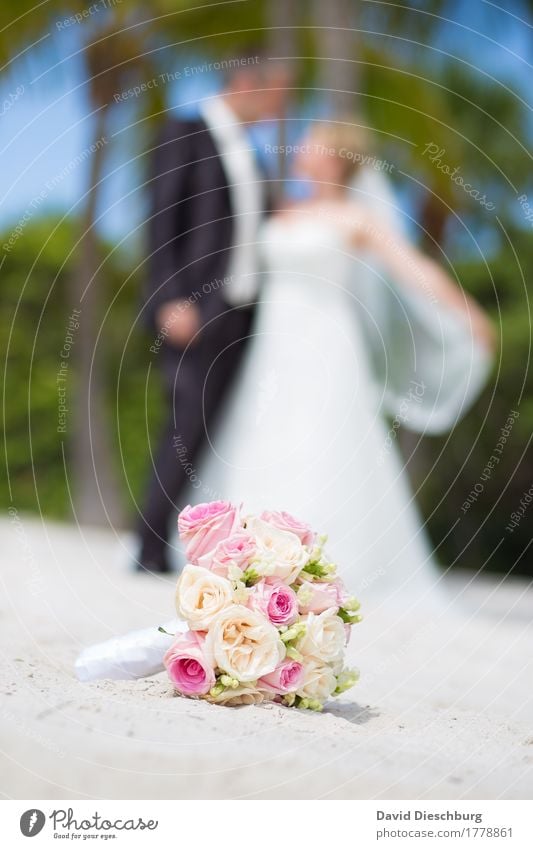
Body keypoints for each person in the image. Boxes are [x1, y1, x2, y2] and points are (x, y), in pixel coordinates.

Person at [197, 121, 495, 598]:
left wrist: (468, 315)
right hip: (272, 345)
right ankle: (245, 552)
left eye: (313, 143)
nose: (301, 148)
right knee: (260, 432)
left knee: (320, 440)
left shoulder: (358, 218)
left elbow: (413, 270)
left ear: (337, 157)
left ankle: (318, 559)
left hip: (327, 343)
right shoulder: (285, 207)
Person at [137, 56, 291, 573]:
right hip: (193, 308)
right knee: (184, 423)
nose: (281, 108)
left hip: (244, 314)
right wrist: (170, 298)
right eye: (277, 95)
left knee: (214, 430)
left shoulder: (255, 156)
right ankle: (148, 546)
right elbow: (161, 221)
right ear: (248, 84)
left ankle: (186, 542)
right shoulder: (186, 133)